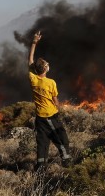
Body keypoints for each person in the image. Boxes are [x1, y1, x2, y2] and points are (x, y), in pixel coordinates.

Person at [28, 31, 72, 171]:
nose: (48, 64)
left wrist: (34, 42)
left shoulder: (33, 79)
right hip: (50, 117)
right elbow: (55, 100)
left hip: (39, 118)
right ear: (45, 69)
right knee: (61, 138)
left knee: (42, 142)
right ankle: (66, 162)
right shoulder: (50, 83)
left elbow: (30, 60)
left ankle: (40, 168)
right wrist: (58, 108)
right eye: (47, 64)